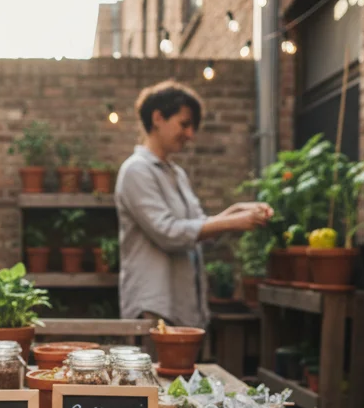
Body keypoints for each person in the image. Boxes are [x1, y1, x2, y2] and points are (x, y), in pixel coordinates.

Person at [115, 80, 273, 330]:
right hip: (153, 308)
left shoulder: (177, 174)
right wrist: (232, 221)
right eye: (184, 124)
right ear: (158, 118)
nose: (190, 135)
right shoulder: (136, 171)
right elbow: (167, 232)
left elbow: (198, 226)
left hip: (184, 306)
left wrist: (237, 212)